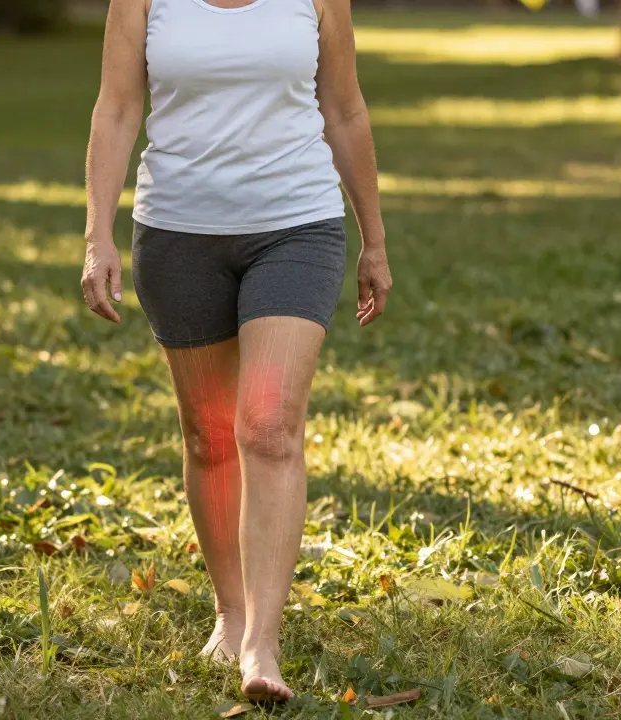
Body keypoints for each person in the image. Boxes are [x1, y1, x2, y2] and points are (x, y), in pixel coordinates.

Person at [80, 0, 390, 703]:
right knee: (210, 434)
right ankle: (232, 609)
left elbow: (344, 111)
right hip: (178, 235)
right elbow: (117, 109)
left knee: (270, 424)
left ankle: (263, 645)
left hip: (297, 225)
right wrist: (99, 233)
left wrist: (374, 237)